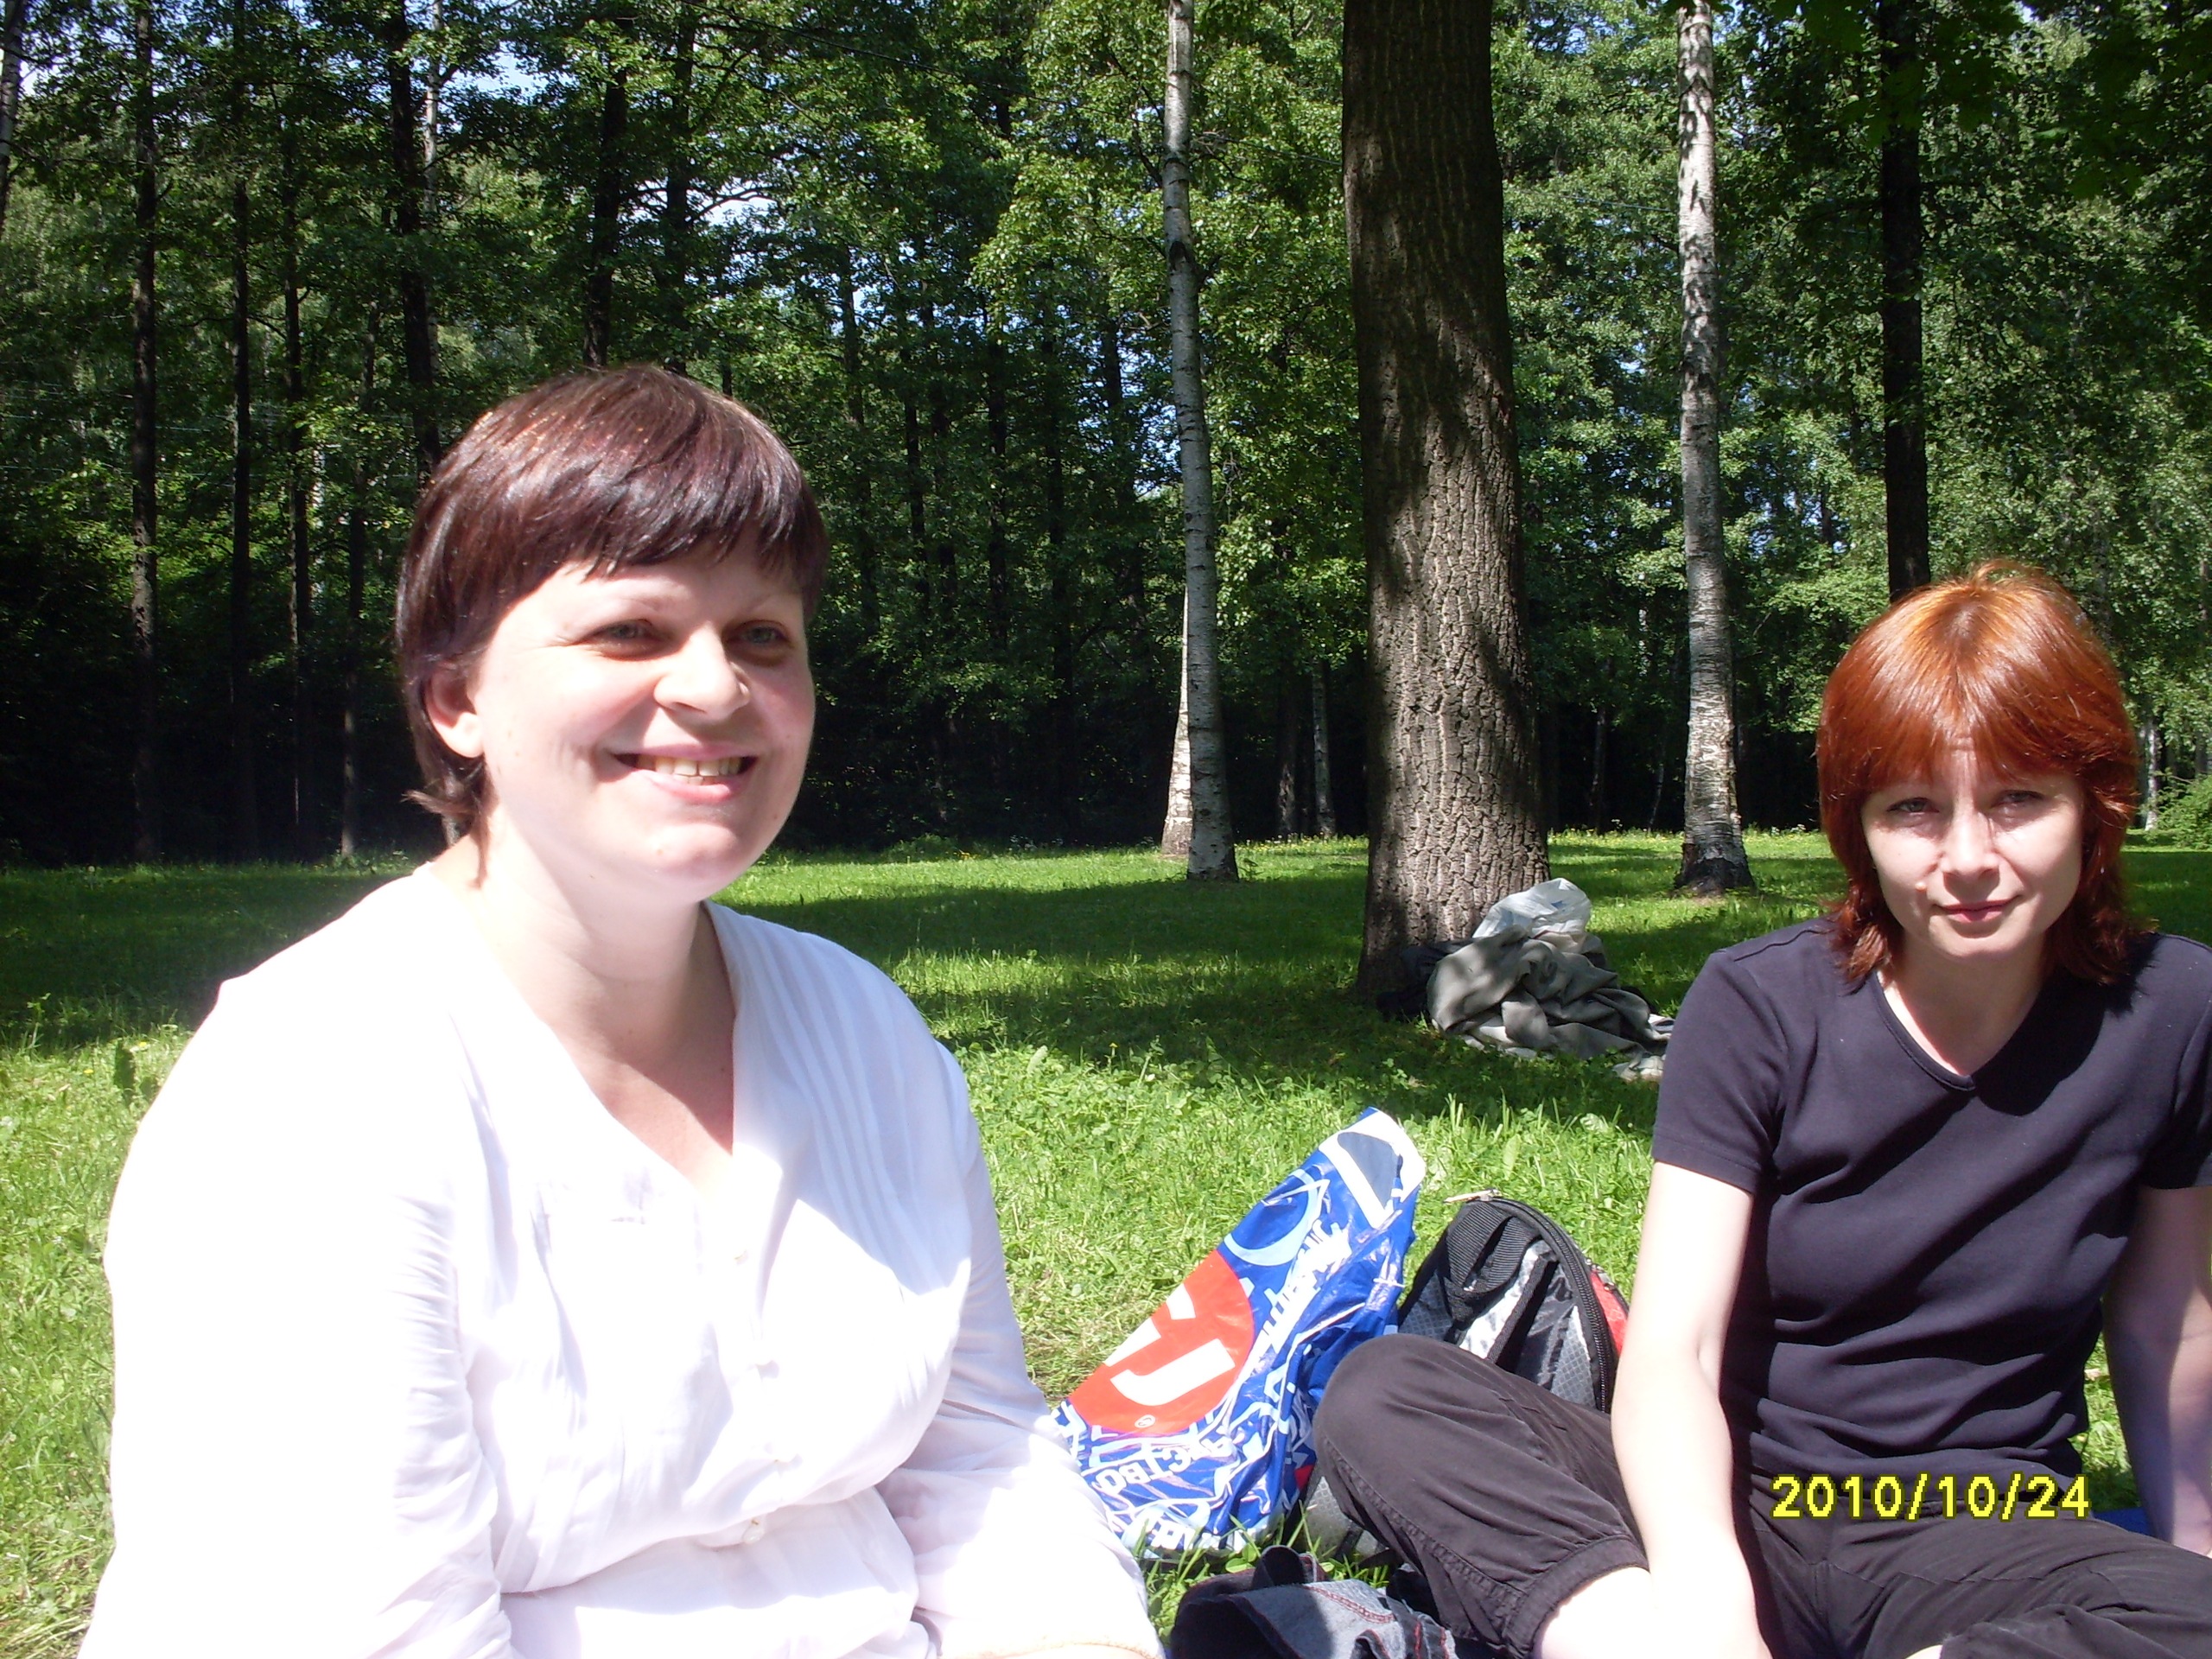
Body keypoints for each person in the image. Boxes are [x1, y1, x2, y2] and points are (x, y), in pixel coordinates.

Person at [83, 368, 1161, 1659]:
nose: (713, 687)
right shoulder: (316, 1088)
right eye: (631, 631)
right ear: (456, 700)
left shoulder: (861, 1029)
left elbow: (978, 1456)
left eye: (761, 636)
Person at [1312, 564, 2212, 1659]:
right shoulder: (1761, 1005)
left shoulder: (2173, 1011)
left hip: (1986, 1539)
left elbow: (2170, 1327)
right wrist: (1711, 1608)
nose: (1968, 859)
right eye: (1914, 808)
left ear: (2094, 805)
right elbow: (1676, 1351)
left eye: (2018, 799)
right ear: (1858, 827)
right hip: (1733, 1512)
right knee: (1385, 1392)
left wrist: (2191, 1571)